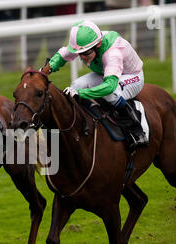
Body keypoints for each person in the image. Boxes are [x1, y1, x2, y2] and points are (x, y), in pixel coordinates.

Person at [46, 20, 148, 150]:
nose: (82, 57)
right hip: (107, 72)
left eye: (85, 53)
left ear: (98, 45)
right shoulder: (87, 45)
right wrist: (44, 71)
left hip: (132, 76)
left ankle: (135, 127)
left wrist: (81, 94)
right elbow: (64, 54)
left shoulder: (112, 53)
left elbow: (110, 86)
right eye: (79, 54)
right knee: (76, 85)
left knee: (111, 93)